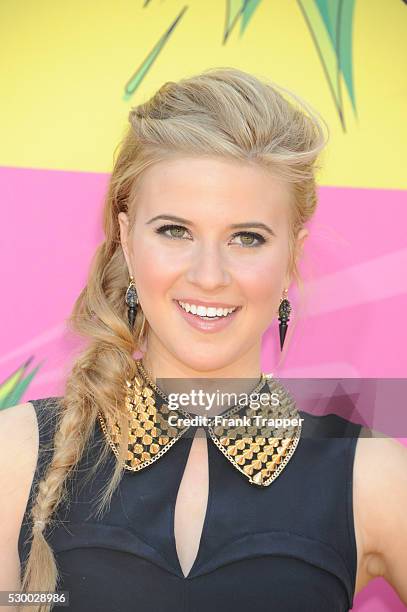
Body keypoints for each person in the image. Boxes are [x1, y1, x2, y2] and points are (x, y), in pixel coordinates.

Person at [1, 67, 406, 612]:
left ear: (290, 255)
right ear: (125, 237)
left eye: (247, 237)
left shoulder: (372, 476)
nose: (209, 275)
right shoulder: (18, 456)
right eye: (175, 230)